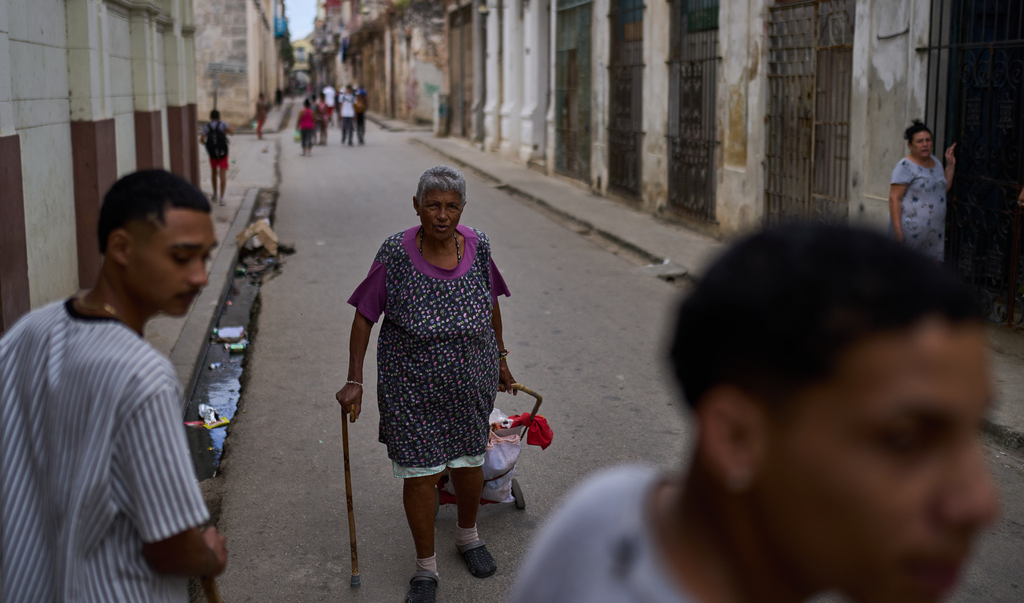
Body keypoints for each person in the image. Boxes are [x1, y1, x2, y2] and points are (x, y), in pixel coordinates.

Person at [512, 223, 997, 603]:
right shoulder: (602, 514)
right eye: (905, 439)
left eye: (970, 432)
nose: (980, 502)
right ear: (737, 439)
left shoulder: (613, 504)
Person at [1, 169, 227, 601]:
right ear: (121, 247)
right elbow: (170, 547)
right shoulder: (144, 376)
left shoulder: (31, 330)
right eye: (182, 258)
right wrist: (207, 556)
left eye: (204, 257)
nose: (201, 277)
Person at [336, 165, 517, 603]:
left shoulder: (477, 244)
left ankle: (468, 537)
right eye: (433, 205)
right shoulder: (395, 253)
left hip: (470, 381)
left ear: (462, 209)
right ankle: (425, 567)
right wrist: (354, 379)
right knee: (421, 475)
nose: (442, 215)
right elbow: (364, 316)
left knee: (469, 465)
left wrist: (501, 359)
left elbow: (490, 303)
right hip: (410, 386)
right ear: (416, 206)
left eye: (451, 206)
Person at [889, 119, 957, 261]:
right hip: (910, 233)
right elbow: (895, 198)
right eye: (920, 141)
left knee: (931, 275)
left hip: (934, 234)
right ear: (910, 145)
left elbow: (942, 190)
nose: (925, 144)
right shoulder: (905, 167)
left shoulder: (936, 162)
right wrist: (897, 231)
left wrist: (950, 166)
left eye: (928, 140)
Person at [200, 109, 233, 206]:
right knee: (222, 174)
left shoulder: (207, 127)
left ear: (210, 117)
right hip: (223, 153)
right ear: (219, 117)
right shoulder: (223, 125)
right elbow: (232, 132)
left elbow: (202, 139)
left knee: (214, 172)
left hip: (213, 154)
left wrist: (208, 145)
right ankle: (222, 198)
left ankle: (215, 194)